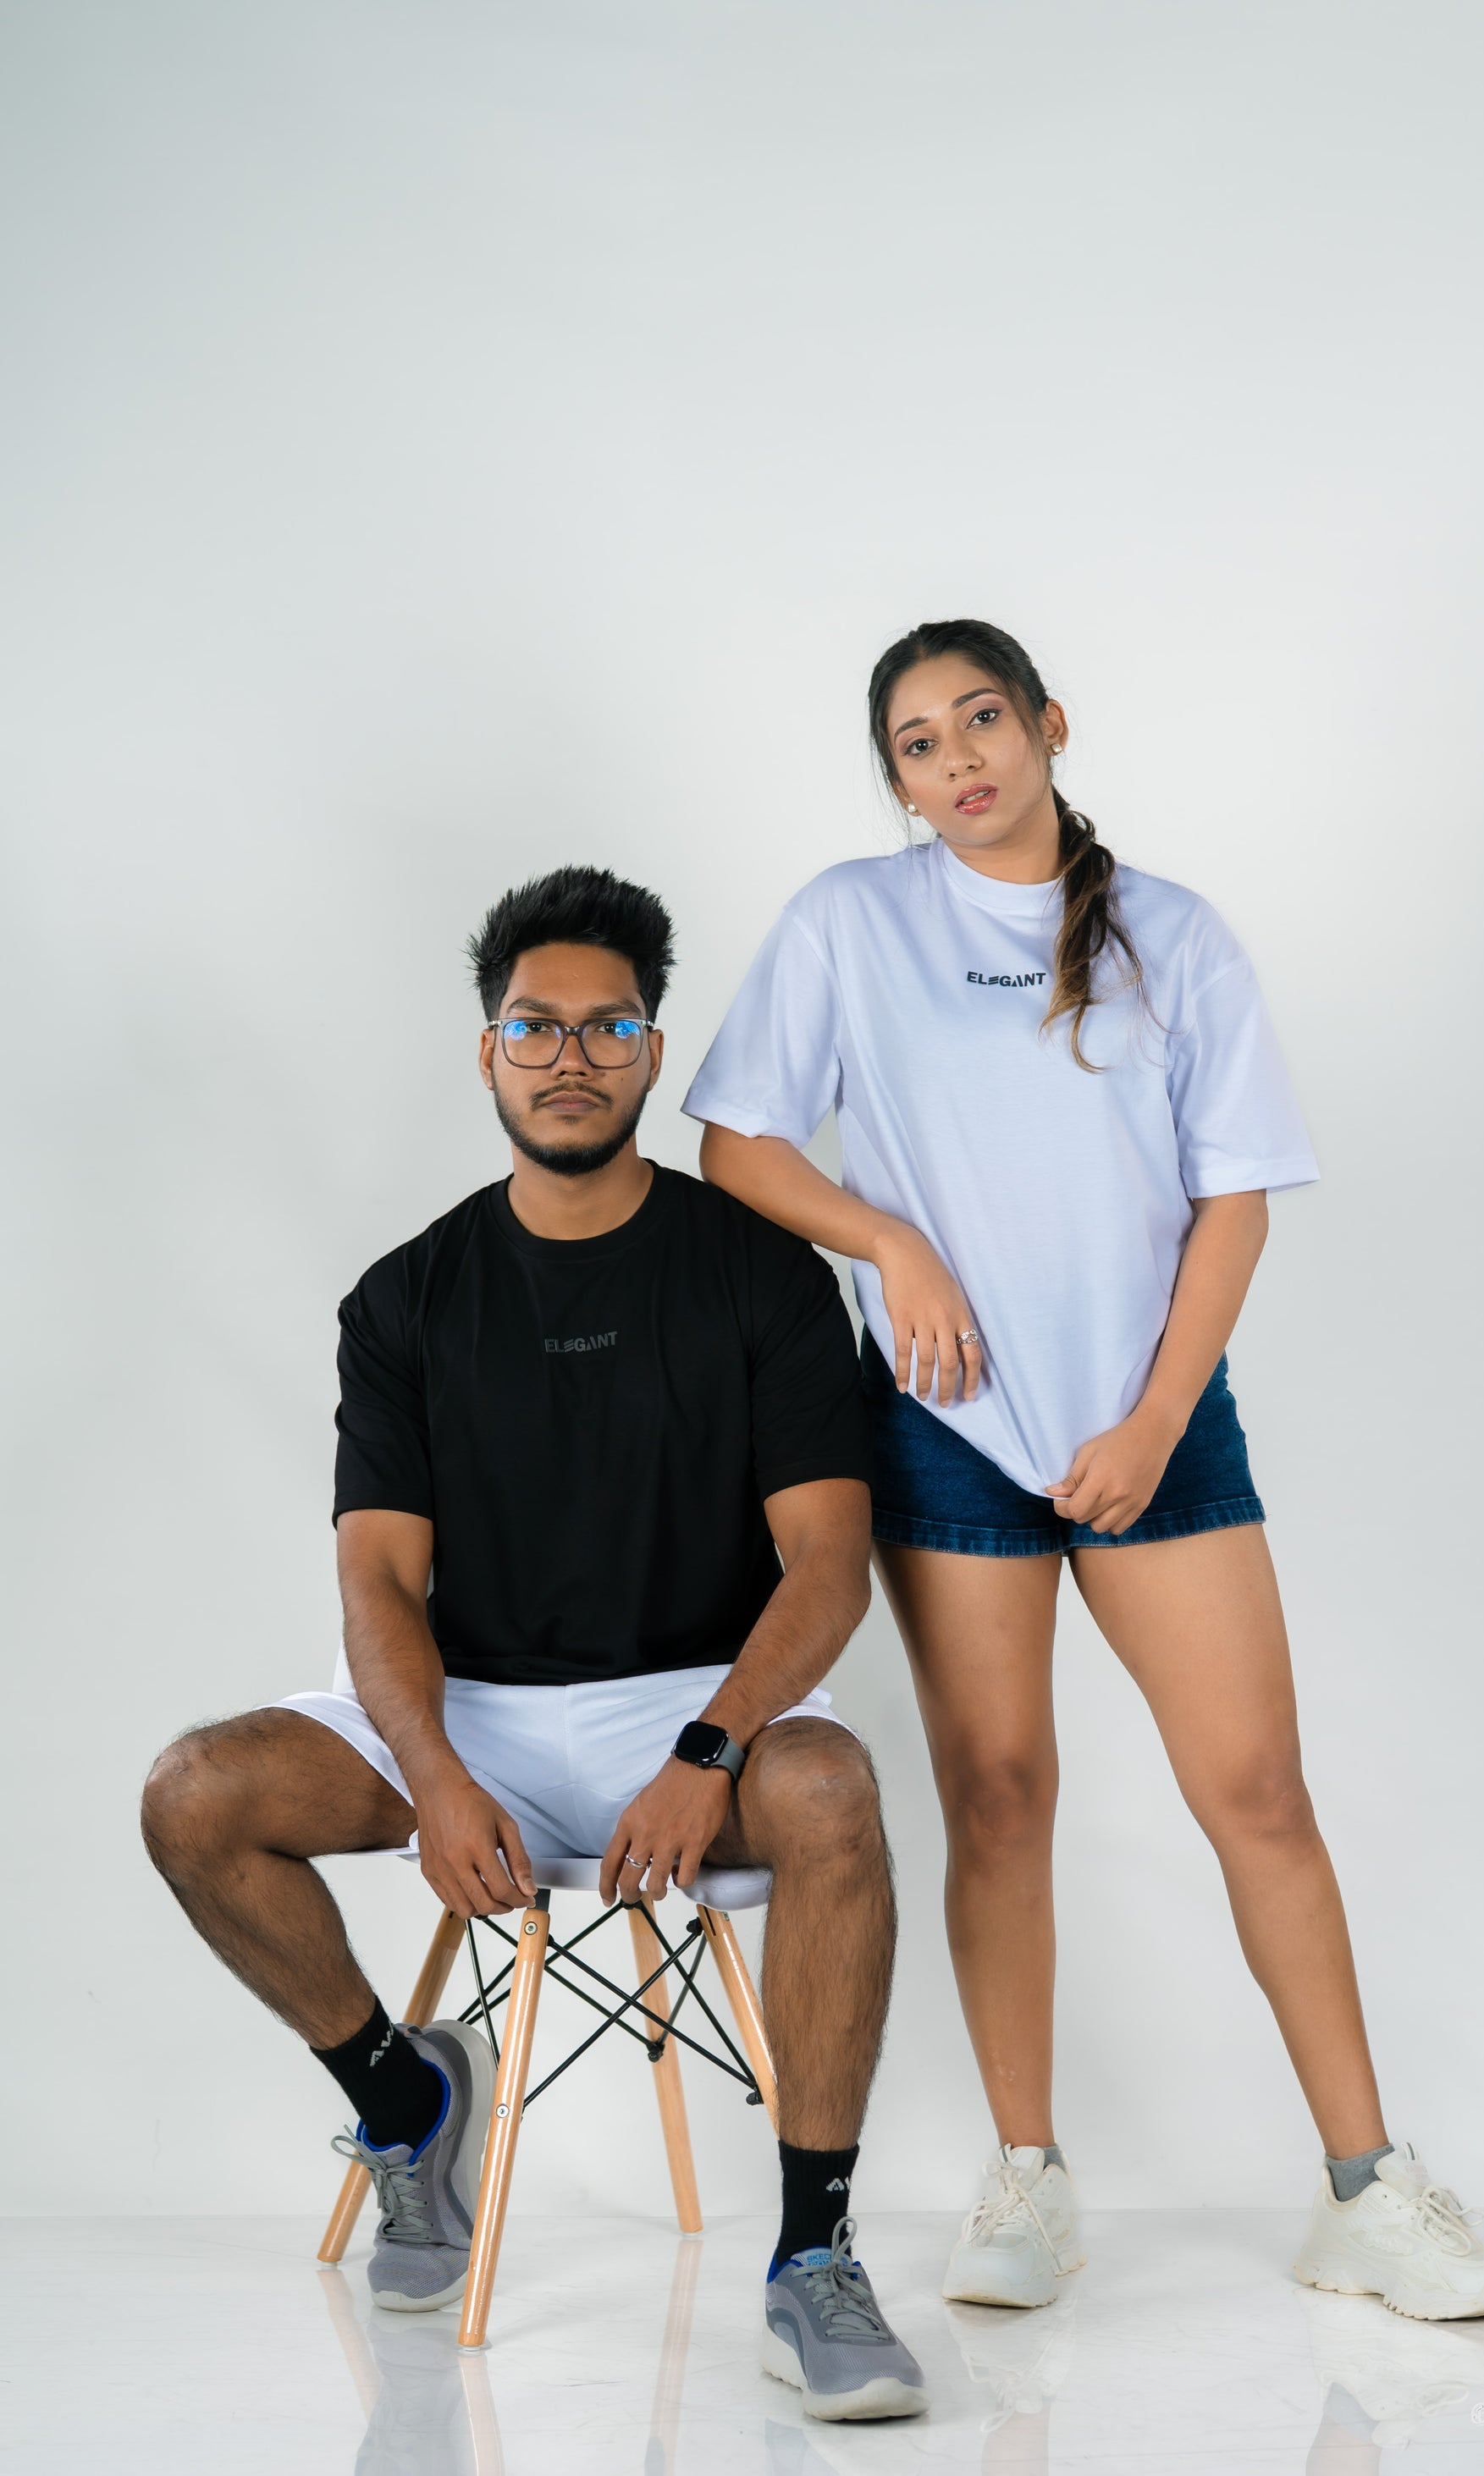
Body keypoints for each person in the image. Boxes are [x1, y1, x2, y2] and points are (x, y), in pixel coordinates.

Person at [684, 619, 1484, 2323]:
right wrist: (890, 1240)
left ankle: (1366, 2185)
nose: (957, 761)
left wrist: (1149, 1422)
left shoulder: (1171, 934)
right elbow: (737, 1142)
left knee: (1257, 1791)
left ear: (1049, 723)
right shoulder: (852, 921)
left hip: (1156, 1420)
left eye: (981, 718)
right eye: (917, 744)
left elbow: (1233, 1198)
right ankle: (1027, 2176)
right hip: (944, 1420)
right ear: (896, 780)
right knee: (998, 1794)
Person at [141, 865, 929, 2423]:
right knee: (195, 1792)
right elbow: (379, 1581)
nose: (571, 1056)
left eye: (608, 1026)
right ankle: (404, 2099)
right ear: (489, 1050)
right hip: (475, 1709)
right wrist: (433, 1770)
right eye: (536, 1026)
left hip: (697, 1700)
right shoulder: (407, 1297)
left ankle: (813, 2257)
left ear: (652, 1050)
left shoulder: (762, 1272)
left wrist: (710, 1746)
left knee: (834, 1791)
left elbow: (829, 1565)